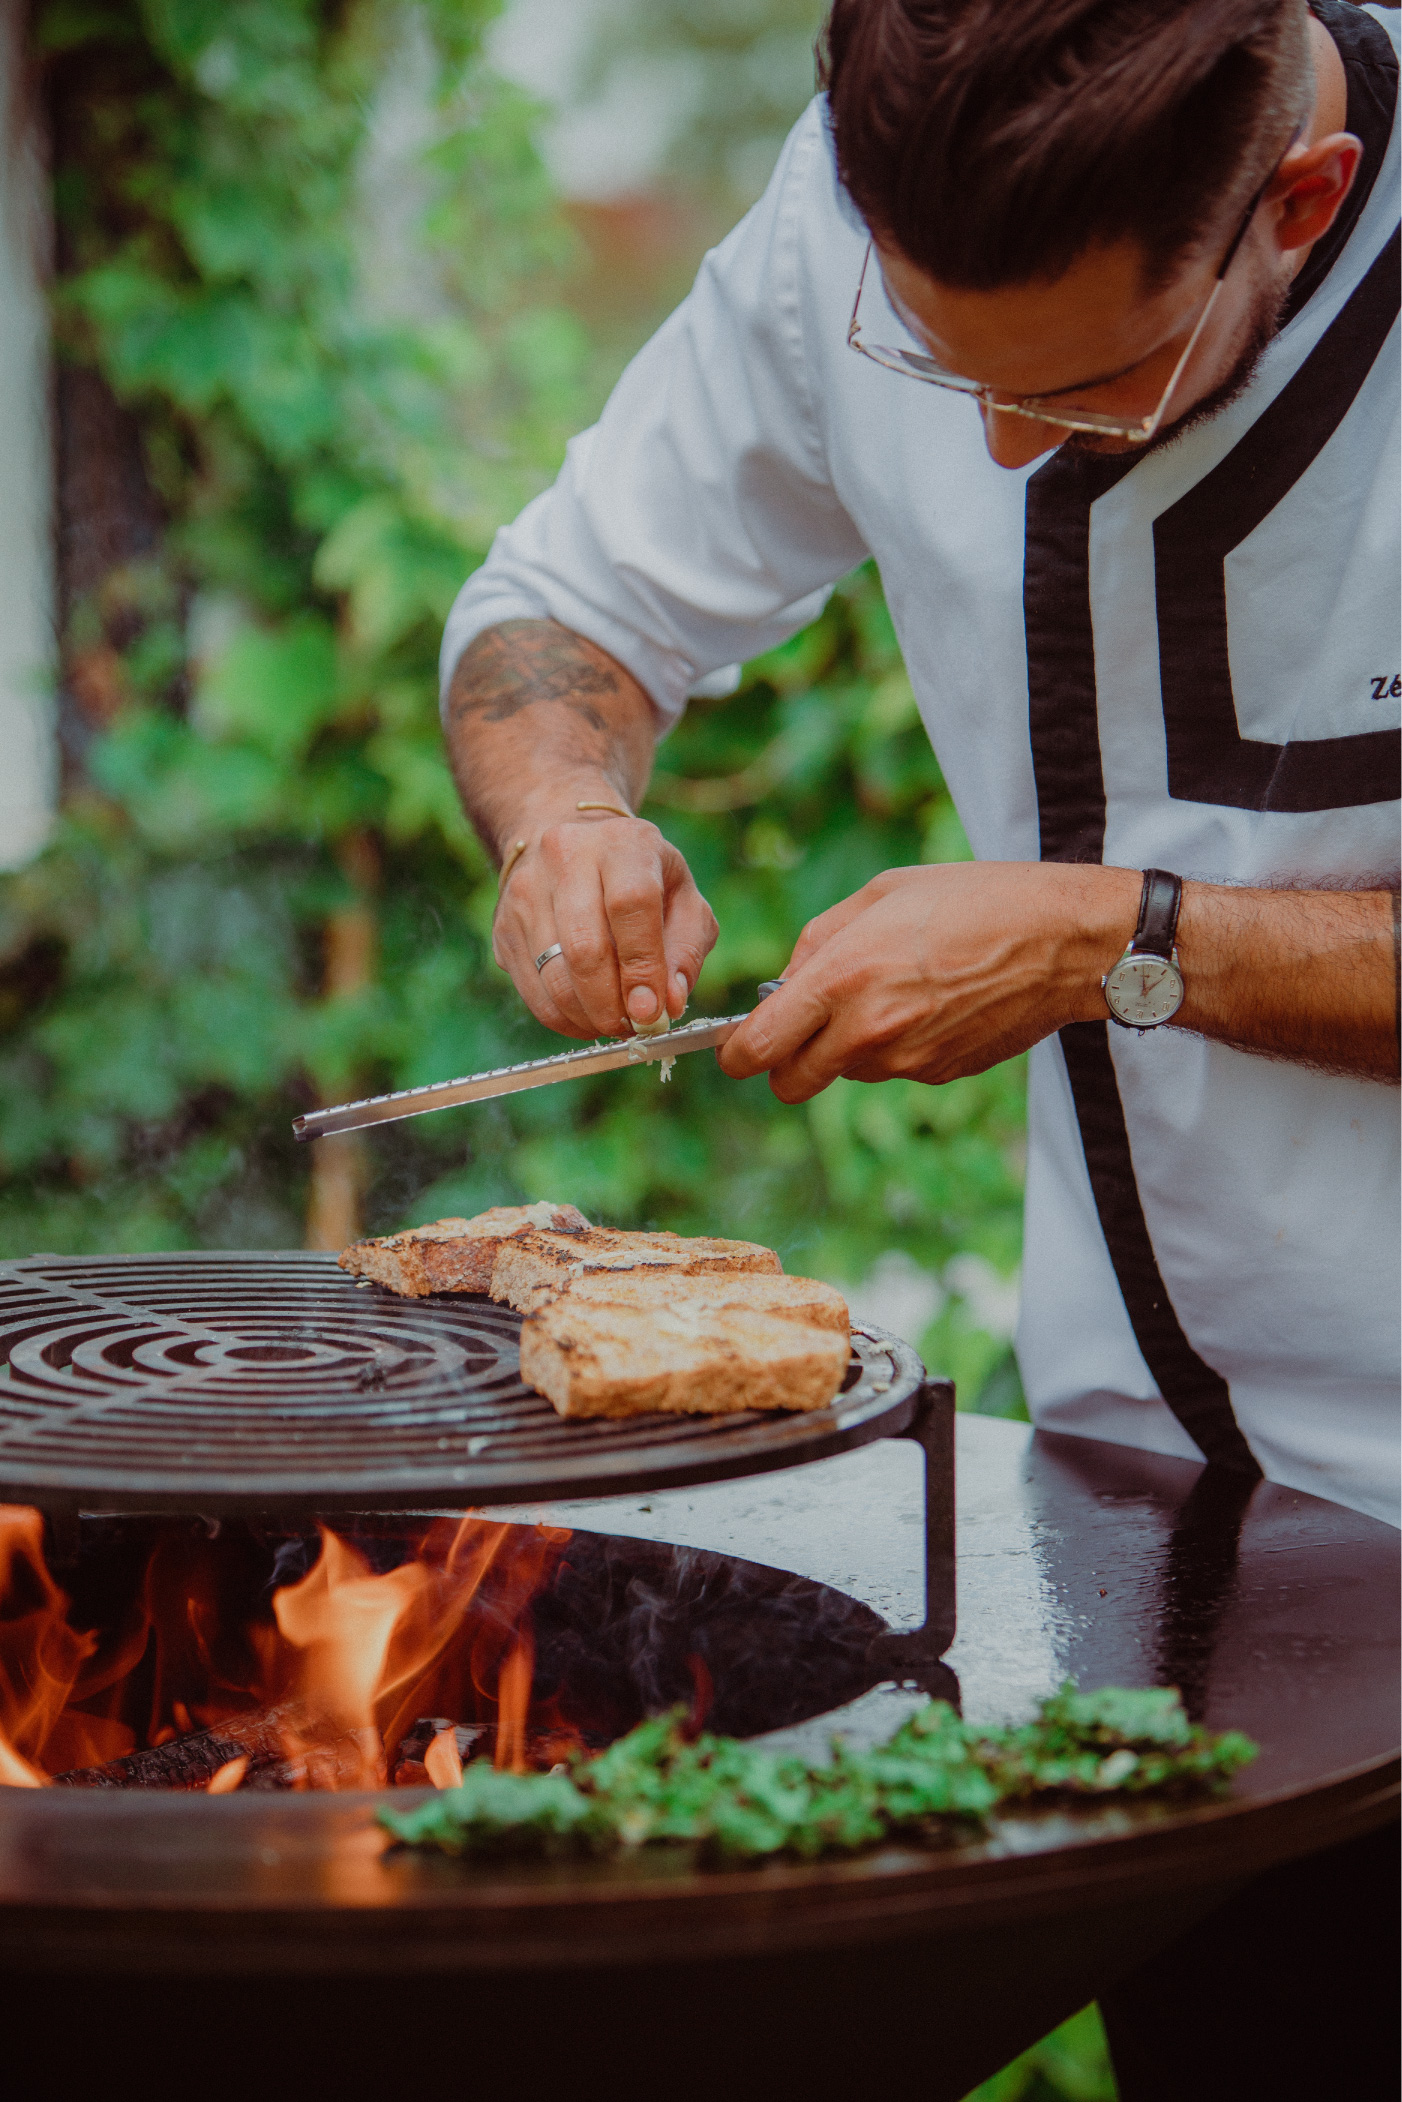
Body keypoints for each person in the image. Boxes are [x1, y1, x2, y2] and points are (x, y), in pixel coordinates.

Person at [439, 10, 1399, 2080]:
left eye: (1068, 387)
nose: (979, 459)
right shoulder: (843, 219)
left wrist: (1110, 942)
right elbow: (558, 608)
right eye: (927, 365)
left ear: (1298, 207)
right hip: (1184, 1564)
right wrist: (567, 814)